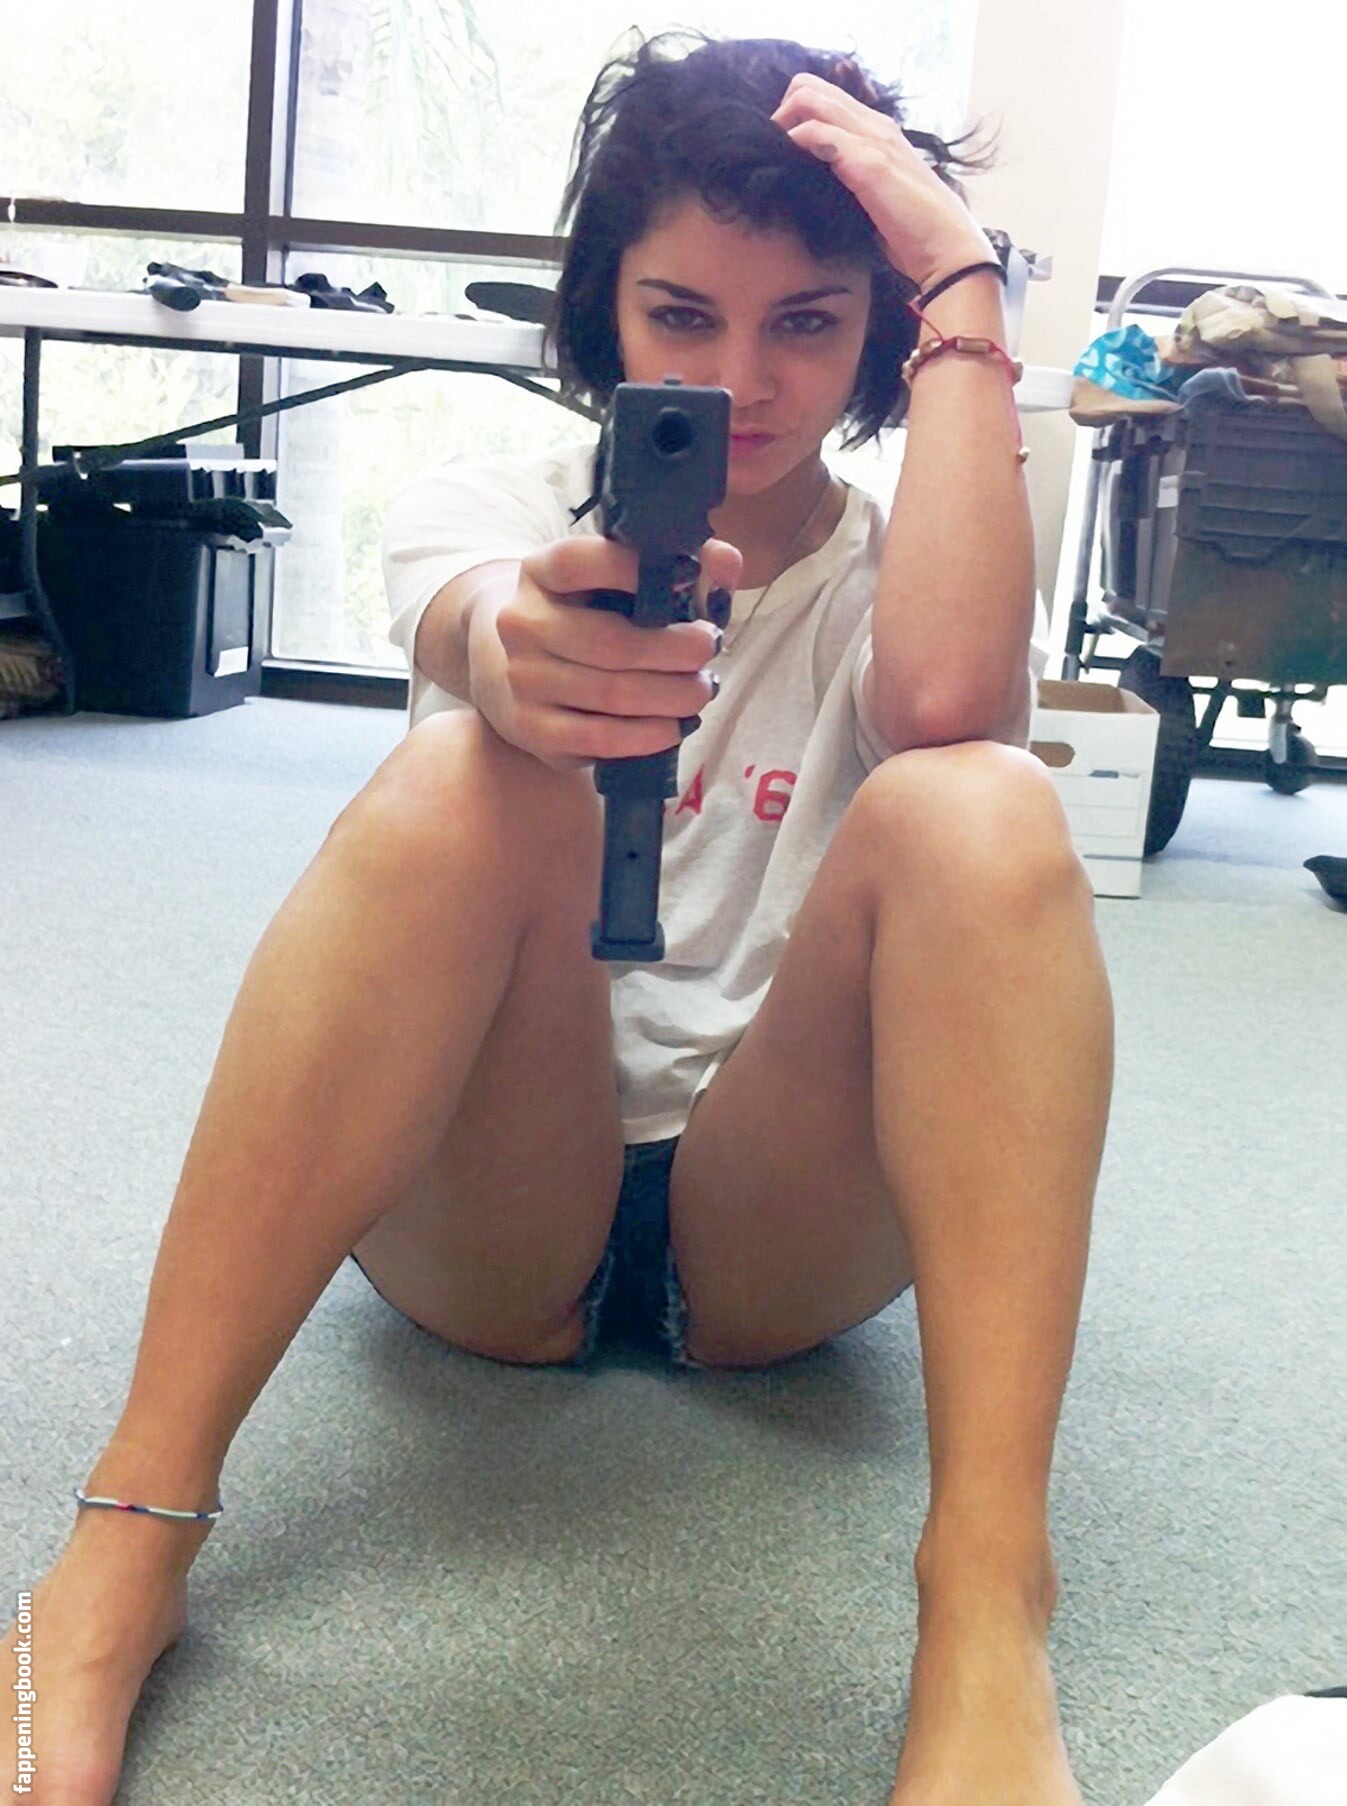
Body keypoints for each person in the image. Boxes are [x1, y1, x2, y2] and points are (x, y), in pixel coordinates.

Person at [3, 29, 1114, 1806]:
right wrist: (515, 657)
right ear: (605, 312)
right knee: (461, 769)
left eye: (808, 321)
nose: (739, 379)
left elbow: (948, 705)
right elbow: (469, 620)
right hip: (494, 1204)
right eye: (681, 316)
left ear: (881, 335)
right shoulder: (493, 512)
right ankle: (126, 1537)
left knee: (985, 801)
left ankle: (989, 1606)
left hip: (777, 1221)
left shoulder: (913, 562)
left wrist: (967, 283)